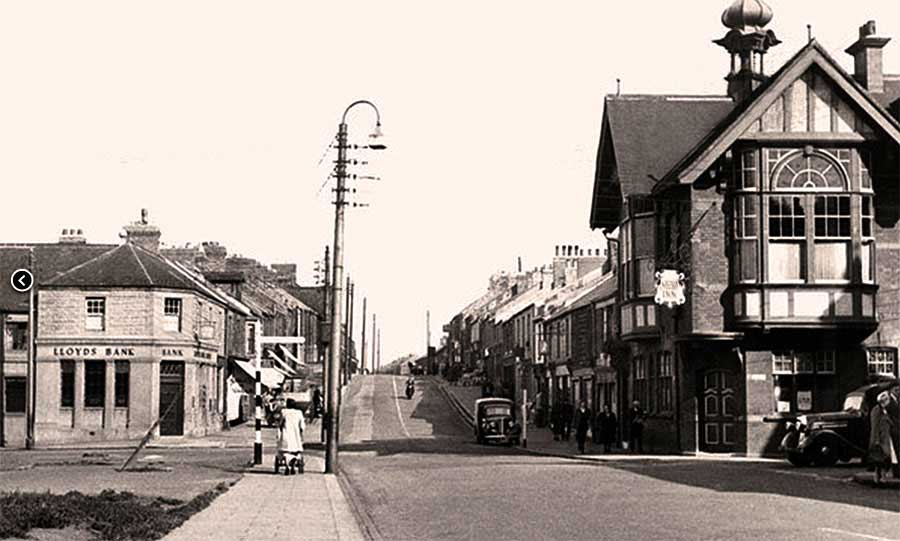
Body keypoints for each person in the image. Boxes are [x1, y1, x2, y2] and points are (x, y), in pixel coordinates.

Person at [868, 390, 897, 486]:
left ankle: (883, 475)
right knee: (878, 457)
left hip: (887, 437)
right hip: (879, 438)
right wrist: (875, 439)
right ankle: (877, 474)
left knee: (886, 457)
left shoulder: (887, 411)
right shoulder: (876, 411)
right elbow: (875, 426)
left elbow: (891, 423)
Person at [278, 399, 307, 475]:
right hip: (295, 435)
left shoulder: (283, 412)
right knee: (296, 450)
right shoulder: (299, 413)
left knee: (285, 450)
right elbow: (302, 426)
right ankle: (293, 464)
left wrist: (280, 428)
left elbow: (280, 423)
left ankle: (287, 465)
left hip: (286, 435)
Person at [889, 382, 900, 478]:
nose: (898, 392)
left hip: (897, 429)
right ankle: (896, 472)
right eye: (896, 390)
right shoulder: (888, 401)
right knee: (894, 453)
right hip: (892, 429)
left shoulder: (898, 400)